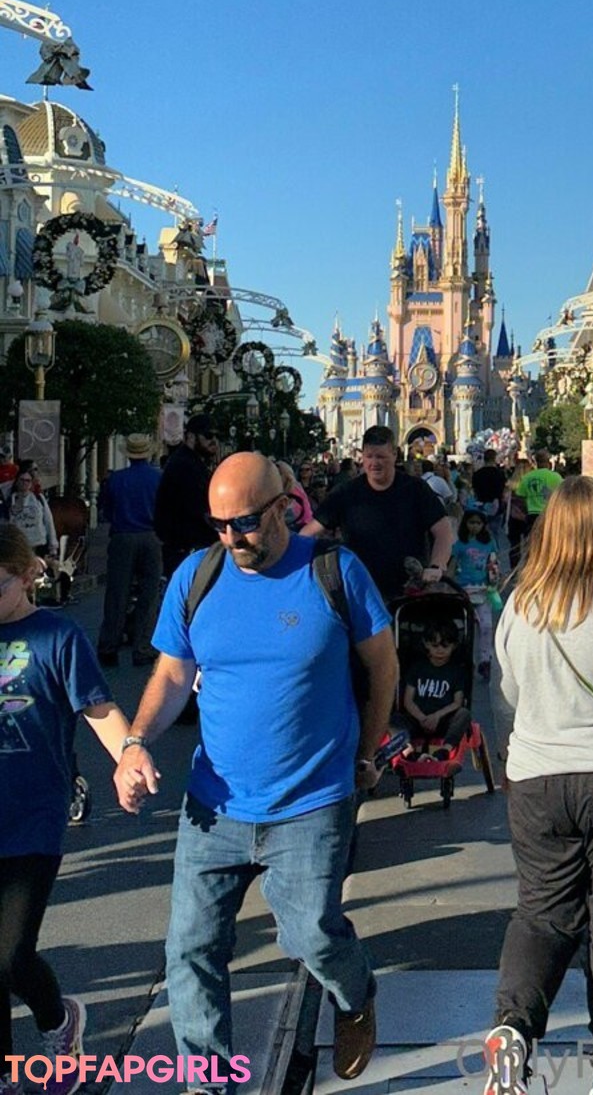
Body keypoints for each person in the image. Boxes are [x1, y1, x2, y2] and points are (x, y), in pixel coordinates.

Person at [113, 454, 398, 1083]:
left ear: (282, 509)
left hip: (311, 801)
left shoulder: (334, 570)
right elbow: (173, 673)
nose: (231, 537)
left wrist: (367, 751)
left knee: (311, 937)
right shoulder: (197, 575)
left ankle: (356, 995)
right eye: (218, 524)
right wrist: (136, 742)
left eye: (243, 522)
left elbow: (382, 663)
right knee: (190, 950)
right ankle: (207, 1080)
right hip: (215, 807)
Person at [485, 478, 593, 1095]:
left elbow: (505, 697)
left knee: (541, 914)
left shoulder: (523, 605)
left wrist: (510, 759)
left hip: (537, 777)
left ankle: (513, 1029)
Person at [0, 524, 133, 1095]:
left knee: (10, 956)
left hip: (33, 815)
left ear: (26, 575)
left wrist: (128, 757)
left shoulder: (56, 636)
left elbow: (98, 709)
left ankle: (59, 1022)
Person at [303, 425, 454, 601]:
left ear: (394, 455)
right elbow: (310, 531)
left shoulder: (416, 489)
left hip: (408, 593)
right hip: (360, 591)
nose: (374, 463)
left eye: (381, 457)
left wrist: (436, 566)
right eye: (369, 456)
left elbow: (443, 531)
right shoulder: (346, 492)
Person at [97, 435, 163, 668]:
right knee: (149, 594)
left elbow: (106, 509)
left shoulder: (116, 479)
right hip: (151, 535)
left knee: (117, 594)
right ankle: (142, 647)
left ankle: (109, 646)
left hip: (122, 535)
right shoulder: (158, 477)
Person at [153, 415, 218, 578]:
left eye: (216, 436)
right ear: (191, 437)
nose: (214, 441)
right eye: (208, 435)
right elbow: (201, 509)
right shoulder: (185, 465)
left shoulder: (192, 462)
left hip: (188, 547)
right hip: (186, 550)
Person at [400, 622, 471, 759]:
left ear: (454, 646)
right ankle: (408, 750)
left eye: (445, 646)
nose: (440, 651)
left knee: (464, 714)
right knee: (394, 720)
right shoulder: (417, 668)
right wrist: (422, 718)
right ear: (427, 644)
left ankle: (445, 749)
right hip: (418, 718)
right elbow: (408, 701)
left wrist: (437, 716)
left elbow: (457, 702)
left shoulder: (457, 671)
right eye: (435, 646)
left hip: (443, 720)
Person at [448, 508, 499, 679]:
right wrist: (447, 583)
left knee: (486, 626)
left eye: (478, 523)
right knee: (465, 627)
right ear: (465, 523)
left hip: (483, 590)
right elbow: (452, 565)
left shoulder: (489, 543)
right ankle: (465, 659)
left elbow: (493, 562)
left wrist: (494, 580)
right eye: (471, 522)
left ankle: (485, 660)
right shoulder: (460, 544)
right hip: (463, 590)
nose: (475, 526)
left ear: (484, 525)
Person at [6, 466, 58, 560]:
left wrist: (53, 547)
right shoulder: (9, 501)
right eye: (22, 480)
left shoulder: (39, 499)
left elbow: (48, 522)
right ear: (17, 481)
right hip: (17, 547)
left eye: (28, 481)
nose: (24, 483)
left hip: (37, 547)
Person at [516, 450, 562, 540]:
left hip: (532, 515)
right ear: (548, 462)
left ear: (536, 462)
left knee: (533, 541)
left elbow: (520, 497)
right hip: (550, 514)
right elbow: (564, 494)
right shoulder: (556, 477)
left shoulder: (527, 477)